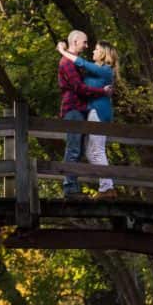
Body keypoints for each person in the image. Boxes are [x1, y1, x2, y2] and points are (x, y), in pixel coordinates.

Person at [57, 39, 118, 198]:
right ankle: (105, 186)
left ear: (104, 53)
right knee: (91, 152)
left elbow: (82, 63)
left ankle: (107, 188)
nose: (92, 51)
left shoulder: (106, 70)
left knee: (96, 150)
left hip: (99, 111)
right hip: (91, 111)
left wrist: (63, 51)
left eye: (96, 49)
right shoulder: (95, 71)